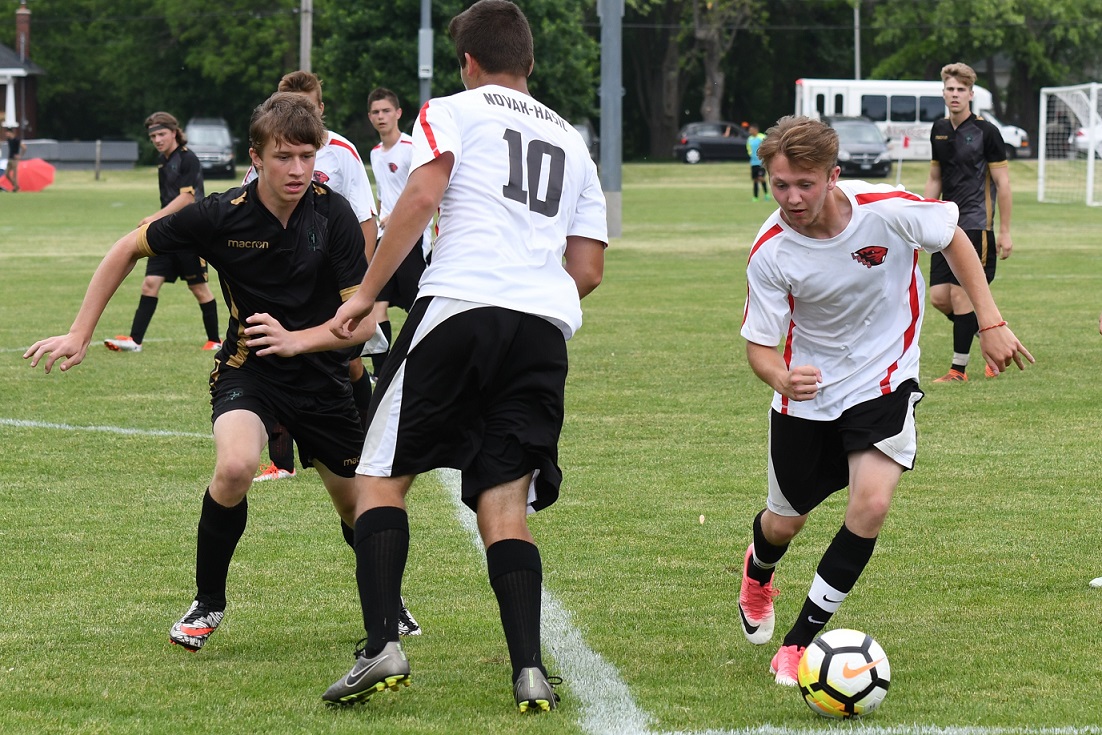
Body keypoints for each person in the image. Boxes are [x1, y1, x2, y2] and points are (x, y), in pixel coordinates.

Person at [319, 0, 607, 712]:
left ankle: (383, 641)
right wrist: (529, 296)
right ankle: (529, 669)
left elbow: (422, 194)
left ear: (470, 63)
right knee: (505, 502)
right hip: (542, 326)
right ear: (529, 63)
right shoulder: (572, 139)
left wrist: (367, 294)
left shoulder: (454, 108)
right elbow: (590, 266)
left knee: (380, 475)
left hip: (459, 304)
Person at [25, 92, 382, 654]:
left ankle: (384, 608)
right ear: (255, 156)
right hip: (249, 370)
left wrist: (296, 342)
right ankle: (208, 602)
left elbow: (362, 323)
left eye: (307, 156)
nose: (297, 169)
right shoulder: (221, 214)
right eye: (284, 156)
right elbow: (127, 247)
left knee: (358, 507)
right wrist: (80, 332)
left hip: (322, 377)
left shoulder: (331, 213)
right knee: (237, 465)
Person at [736, 115, 1032, 687]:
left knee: (870, 506)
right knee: (783, 523)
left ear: (833, 176)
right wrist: (780, 377)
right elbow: (758, 348)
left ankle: (799, 643)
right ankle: (758, 571)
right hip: (810, 399)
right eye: (780, 185)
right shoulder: (770, 252)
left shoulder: (886, 208)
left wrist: (990, 320)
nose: (792, 198)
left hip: (885, 379)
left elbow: (954, 238)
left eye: (805, 183)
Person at [243, 71, 380, 485]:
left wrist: (361, 287)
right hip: (278, 282)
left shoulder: (341, 152)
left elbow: (364, 219)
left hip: (332, 280)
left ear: (320, 110)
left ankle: (366, 436)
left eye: (307, 107)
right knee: (272, 356)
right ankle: (280, 461)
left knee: (349, 361)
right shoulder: (270, 152)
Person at [923, 62, 1013, 383]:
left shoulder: (987, 132)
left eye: (961, 89)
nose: (955, 94)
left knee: (961, 296)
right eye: (950, 88)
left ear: (971, 94)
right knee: (939, 298)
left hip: (976, 224)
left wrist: (1004, 231)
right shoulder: (938, 129)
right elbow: (935, 177)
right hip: (944, 224)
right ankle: (993, 334)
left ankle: (958, 370)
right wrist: (924, 216)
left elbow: (1003, 183)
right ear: (943, 92)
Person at [103, 112, 222, 354]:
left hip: (190, 235)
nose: (157, 139)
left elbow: (187, 198)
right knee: (149, 284)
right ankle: (135, 341)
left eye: (161, 134)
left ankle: (215, 341)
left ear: (174, 133)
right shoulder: (163, 162)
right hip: (167, 232)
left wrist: (154, 218)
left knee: (198, 289)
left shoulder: (188, 160)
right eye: (153, 136)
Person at [364, 86, 433, 380]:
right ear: (370, 117)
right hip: (385, 238)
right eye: (376, 112)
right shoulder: (375, 153)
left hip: (412, 238)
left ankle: (427, 362)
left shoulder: (411, 148)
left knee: (419, 306)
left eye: (386, 111)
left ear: (398, 114)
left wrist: (397, 215)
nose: (381, 117)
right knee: (377, 305)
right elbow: (384, 193)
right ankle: (381, 374)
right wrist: (382, 214)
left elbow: (423, 190)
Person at [746, 123, 769, 202]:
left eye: (751, 129)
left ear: (755, 130)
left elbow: (767, 147)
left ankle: (766, 194)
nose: (749, 131)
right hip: (753, 162)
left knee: (761, 178)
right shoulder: (750, 139)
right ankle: (755, 197)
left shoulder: (762, 137)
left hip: (761, 162)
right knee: (755, 180)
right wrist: (751, 154)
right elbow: (748, 148)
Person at [4, 122, 26, 192]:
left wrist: (20, 155)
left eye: (7, 133)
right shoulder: (9, 140)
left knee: (14, 175)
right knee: (6, 174)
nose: (6, 134)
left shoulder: (16, 140)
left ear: (11, 133)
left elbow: (24, 147)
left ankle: (16, 188)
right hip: (9, 158)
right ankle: (16, 186)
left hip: (14, 160)